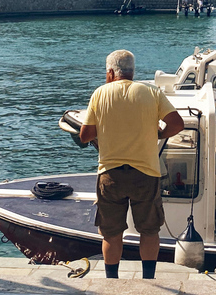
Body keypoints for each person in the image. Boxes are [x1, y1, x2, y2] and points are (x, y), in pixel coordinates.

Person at [79, 50, 185, 279]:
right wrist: (158, 135)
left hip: (111, 174)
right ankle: (148, 279)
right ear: (132, 71)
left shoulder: (100, 93)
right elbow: (177, 124)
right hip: (145, 173)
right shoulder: (151, 92)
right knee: (149, 230)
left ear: (110, 73)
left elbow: (85, 136)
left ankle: (112, 281)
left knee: (111, 233)